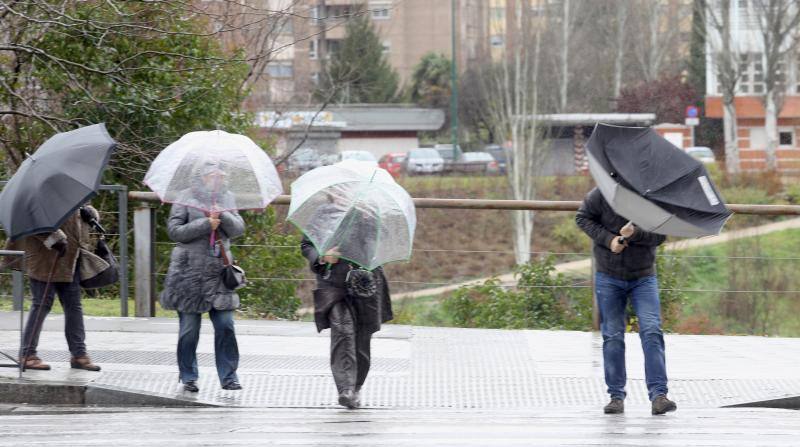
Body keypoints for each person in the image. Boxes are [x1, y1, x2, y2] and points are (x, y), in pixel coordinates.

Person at [575, 187, 677, 416]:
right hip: (608, 275)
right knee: (612, 335)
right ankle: (616, 396)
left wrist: (635, 234)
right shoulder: (602, 193)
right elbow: (582, 218)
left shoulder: (652, 197)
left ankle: (659, 395)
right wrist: (610, 239)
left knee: (651, 331)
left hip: (643, 276)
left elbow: (660, 236)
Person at [160, 166, 245, 392]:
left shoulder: (228, 197)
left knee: (226, 325)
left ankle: (229, 376)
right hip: (189, 274)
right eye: (213, 175)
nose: (218, 179)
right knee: (189, 330)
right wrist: (205, 224)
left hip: (219, 273)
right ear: (203, 177)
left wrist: (223, 215)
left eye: (222, 176)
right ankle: (188, 376)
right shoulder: (185, 197)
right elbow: (175, 231)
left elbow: (238, 229)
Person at [5, 205, 102, 371]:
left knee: (74, 305)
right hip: (44, 259)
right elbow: (30, 219)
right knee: (42, 303)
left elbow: (76, 218)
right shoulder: (37, 195)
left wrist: (90, 214)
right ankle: (27, 354)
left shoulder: (68, 191)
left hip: (70, 257)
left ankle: (79, 354)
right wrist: (53, 238)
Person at [301, 235, 393, 409]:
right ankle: (346, 389)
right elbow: (306, 244)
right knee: (342, 331)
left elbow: (383, 241)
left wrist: (367, 226)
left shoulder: (369, 212)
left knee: (362, 341)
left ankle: (356, 387)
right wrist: (322, 257)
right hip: (333, 283)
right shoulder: (323, 214)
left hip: (365, 282)